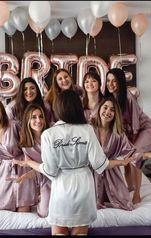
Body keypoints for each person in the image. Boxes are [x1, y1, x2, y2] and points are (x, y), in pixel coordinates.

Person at [13, 89, 134, 235]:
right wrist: (121, 162)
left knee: (59, 233)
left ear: (58, 108)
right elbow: (99, 164)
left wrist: (31, 163)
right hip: (84, 188)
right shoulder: (87, 130)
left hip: (61, 189)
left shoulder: (49, 134)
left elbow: (50, 170)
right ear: (77, 107)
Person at [91, 97, 151, 210]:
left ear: (116, 114)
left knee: (125, 205)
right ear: (99, 109)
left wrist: (145, 155)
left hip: (111, 173)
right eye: (105, 108)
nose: (108, 112)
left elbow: (130, 152)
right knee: (89, 204)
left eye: (112, 110)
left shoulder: (118, 134)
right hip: (92, 174)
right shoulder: (89, 129)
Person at [104, 68, 151, 204]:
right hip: (128, 131)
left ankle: (137, 194)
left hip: (142, 129)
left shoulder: (127, 96)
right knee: (127, 160)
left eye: (114, 81)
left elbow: (135, 122)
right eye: (108, 81)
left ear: (120, 82)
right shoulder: (109, 99)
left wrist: (132, 146)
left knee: (135, 157)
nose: (111, 84)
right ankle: (130, 187)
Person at [11, 104, 51, 218]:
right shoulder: (26, 146)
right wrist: (25, 176)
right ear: (28, 120)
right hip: (44, 181)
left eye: (41, 116)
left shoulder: (51, 135)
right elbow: (37, 170)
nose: (38, 120)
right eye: (34, 117)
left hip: (59, 177)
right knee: (44, 213)